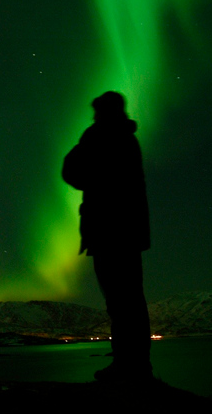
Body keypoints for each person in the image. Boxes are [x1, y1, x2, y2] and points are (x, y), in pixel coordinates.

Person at [62, 91, 152, 382]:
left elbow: (71, 171)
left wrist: (90, 137)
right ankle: (133, 366)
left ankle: (130, 368)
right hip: (124, 231)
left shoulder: (106, 138)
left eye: (97, 113)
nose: (94, 118)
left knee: (122, 302)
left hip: (111, 231)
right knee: (127, 301)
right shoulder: (125, 139)